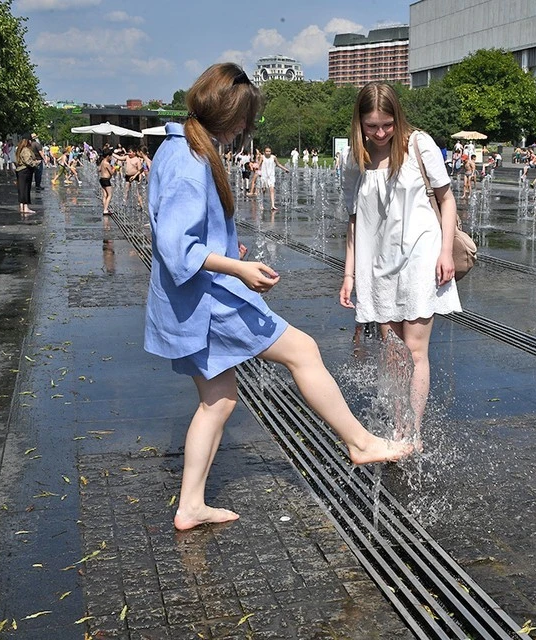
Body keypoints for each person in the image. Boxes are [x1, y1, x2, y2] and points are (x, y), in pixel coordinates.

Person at [144, 64, 412, 531]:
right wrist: (237, 267)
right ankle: (361, 443)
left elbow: (187, 236)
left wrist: (227, 248)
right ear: (228, 114)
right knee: (303, 351)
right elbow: (178, 248)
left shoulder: (177, 148)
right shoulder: (190, 161)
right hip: (210, 302)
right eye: (245, 119)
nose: (246, 129)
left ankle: (190, 506)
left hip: (190, 300)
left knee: (219, 399)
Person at [340, 82, 461, 450]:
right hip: (378, 260)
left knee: (415, 349)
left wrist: (445, 252)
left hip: (421, 254)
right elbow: (353, 219)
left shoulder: (418, 145)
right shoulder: (354, 158)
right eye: (371, 126)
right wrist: (349, 274)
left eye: (387, 124)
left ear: (398, 119)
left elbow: (447, 199)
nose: (379, 133)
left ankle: (414, 430)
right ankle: (398, 425)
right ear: (359, 123)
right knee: (392, 349)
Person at [14, 135, 38, 215]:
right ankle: (26, 207)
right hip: (26, 170)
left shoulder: (19, 149)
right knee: (26, 189)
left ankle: (22, 206)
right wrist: (36, 163)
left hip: (20, 170)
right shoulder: (26, 150)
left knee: (21, 189)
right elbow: (28, 161)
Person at [98, 149, 115, 215]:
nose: (111, 158)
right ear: (108, 156)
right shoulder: (107, 163)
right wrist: (115, 168)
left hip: (102, 179)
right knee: (110, 195)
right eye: (110, 156)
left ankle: (105, 208)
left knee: (105, 195)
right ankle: (105, 210)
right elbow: (111, 173)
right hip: (106, 180)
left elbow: (99, 169)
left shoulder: (102, 161)